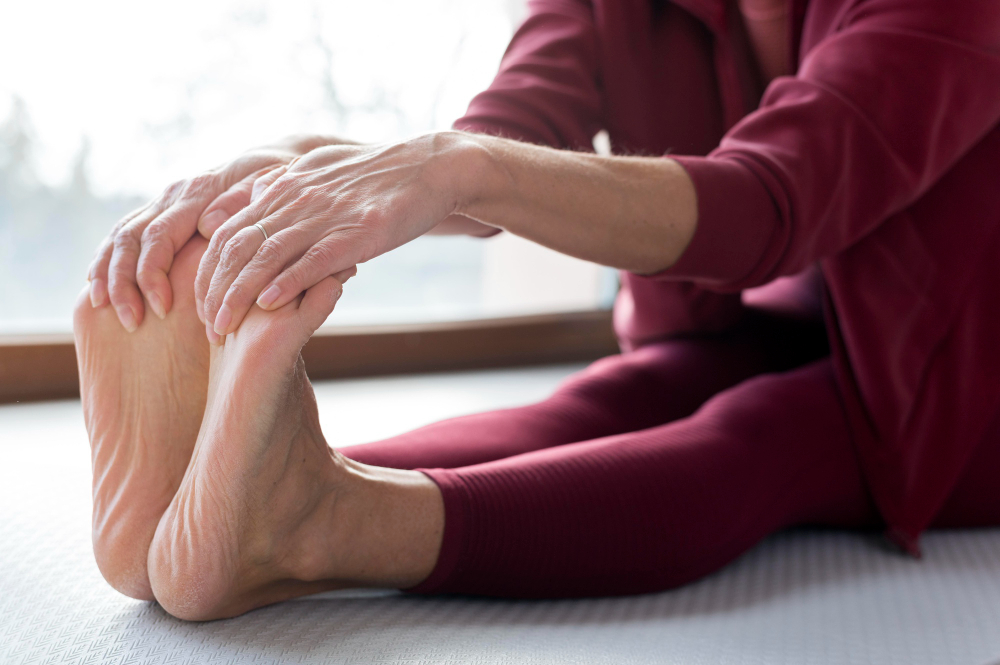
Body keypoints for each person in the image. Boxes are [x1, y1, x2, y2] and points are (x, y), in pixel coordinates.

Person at [74, 0, 1000, 621]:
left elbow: (769, 204)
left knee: (762, 430)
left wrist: (456, 169)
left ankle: (324, 522)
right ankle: (228, 487)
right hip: (754, 321)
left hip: (959, 377)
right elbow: (509, 133)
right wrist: (300, 164)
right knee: (614, 397)